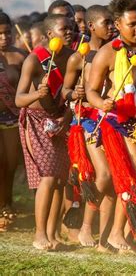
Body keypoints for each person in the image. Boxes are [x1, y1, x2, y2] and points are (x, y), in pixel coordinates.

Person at [86, 0, 136, 252]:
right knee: (134, 175)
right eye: (132, 24)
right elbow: (92, 92)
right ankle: (115, 235)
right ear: (118, 25)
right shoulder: (106, 54)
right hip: (116, 121)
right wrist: (101, 103)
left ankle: (115, 235)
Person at [15, 13, 75, 250]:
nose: (69, 32)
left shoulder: (73, 58)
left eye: (71, 28)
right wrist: (37, 95)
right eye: (64, 29)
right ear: (50, 35)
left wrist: (66, 116)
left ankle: (52, 233)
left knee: (60, 178)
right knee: (48, 176)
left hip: (60, 120)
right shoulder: (34, 59)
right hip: (36, 121)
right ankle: (39, 234)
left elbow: (69, 97)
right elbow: (20, 99)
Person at [62, 5, 115, 250]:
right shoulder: (78, 57)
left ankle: (104, 239)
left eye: (113, 22)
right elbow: (64, 91)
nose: (112, 27)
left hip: (112, 119)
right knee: (102, 175)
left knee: (112, 179)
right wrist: (76, 92)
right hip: (88, 121)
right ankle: (85, 226)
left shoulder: (116, 52)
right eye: (107, 23)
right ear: (92, 26)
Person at [0, 12, 28, 227]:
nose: (4, 37)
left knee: (9, 163)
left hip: (11, 117)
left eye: (7, 32)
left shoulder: (20, 56)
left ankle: (7, 202)